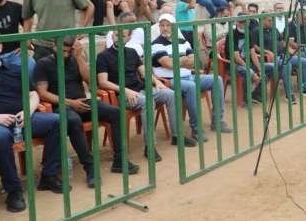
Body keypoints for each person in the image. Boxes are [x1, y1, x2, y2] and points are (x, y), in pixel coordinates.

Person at [34, 36, 140, 187]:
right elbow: (42, 93)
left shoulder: (74, 59)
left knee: (116, 112)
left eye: (68, 51)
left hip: (82, 102)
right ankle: (90, 168)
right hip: (61, 106)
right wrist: (70, 102)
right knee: (73, 121)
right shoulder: (43, 64)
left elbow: (90, 81)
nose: (65, 54)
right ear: (53, 46)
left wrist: (78, 57)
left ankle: (120, 160)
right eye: (62, 50)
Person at [97, 25, 195, 155]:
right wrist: (124, 90)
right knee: (147, 102)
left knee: (171, 94)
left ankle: (177, 136)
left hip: (140, 89)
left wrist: (157, 81)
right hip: (121, 95)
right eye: (116, 35)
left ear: (129, 38)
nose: (118, 38)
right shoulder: (103, 56)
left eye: (123, 36)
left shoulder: (132, 52)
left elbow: (144, 73)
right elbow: (102, 82)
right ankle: (150, 147)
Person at [0, 42, 62, 211]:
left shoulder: (15, 69)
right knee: (0, 137)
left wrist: (29, 110)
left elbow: (33, 93)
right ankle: (14, 190)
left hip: (22, 120)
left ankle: (48, 175)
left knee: (57, 121)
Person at [151, 13, 232, 141]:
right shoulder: (156, 44)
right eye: (162, 25)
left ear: (174, 27)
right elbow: (168, 64)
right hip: (169, 81)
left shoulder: (183, 42)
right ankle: (196, 129)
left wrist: (176, 60)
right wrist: (183, 60)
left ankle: (217, 121)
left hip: (189, 76)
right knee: (191, 87)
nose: (165, 28)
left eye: (168, 25)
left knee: (217, 80)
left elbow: (194, 62)